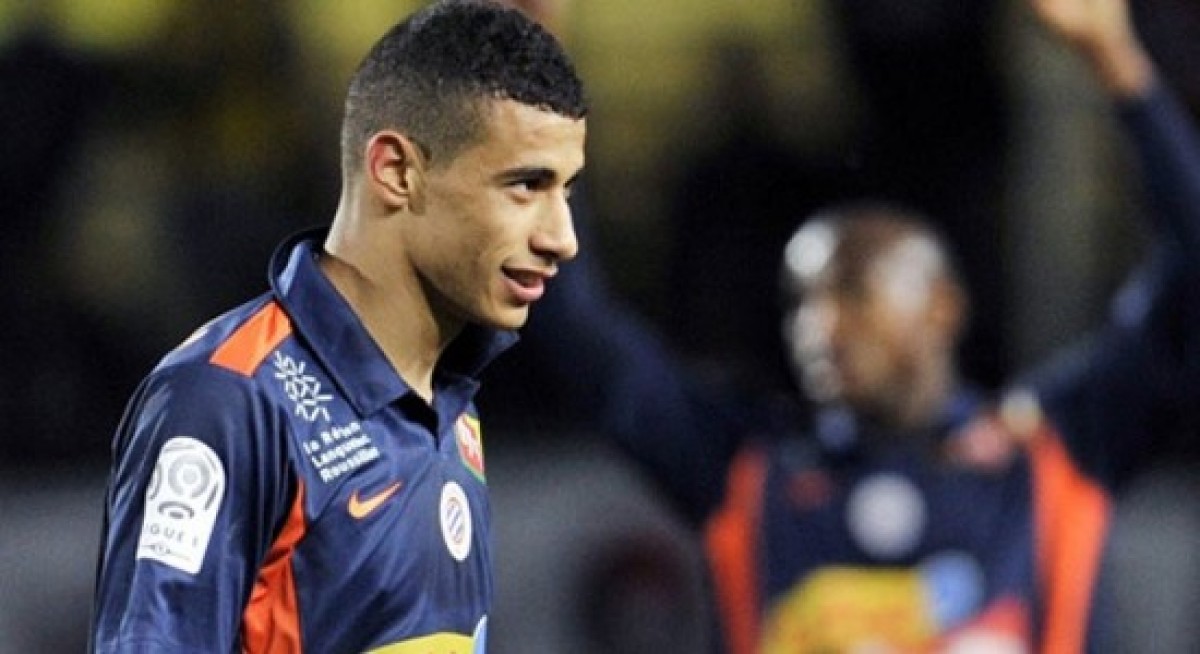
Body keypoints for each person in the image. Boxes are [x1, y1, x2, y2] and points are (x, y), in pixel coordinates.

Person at [524, 0, 1200, 650]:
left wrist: (1117, 59)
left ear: (942, 307)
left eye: (853, 290)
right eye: (800, 302)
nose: (819, 324)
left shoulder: (1057, 450)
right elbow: (581, 334)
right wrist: (540, 82)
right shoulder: (746, 467)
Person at [88, 1, 587, 652]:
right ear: (397, 172)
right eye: (526, 185)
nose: (562, 238)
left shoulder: (450, 402)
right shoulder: (229, 400)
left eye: (566, 191)